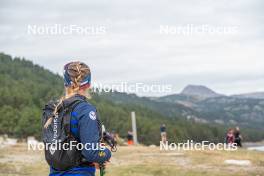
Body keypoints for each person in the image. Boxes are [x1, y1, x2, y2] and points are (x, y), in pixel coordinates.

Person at [45, 61, 111, 176]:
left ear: (65, 83)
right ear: (88, 84)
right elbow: (92, 153)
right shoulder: (85, 110)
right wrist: (106, 153)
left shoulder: (53, 108)